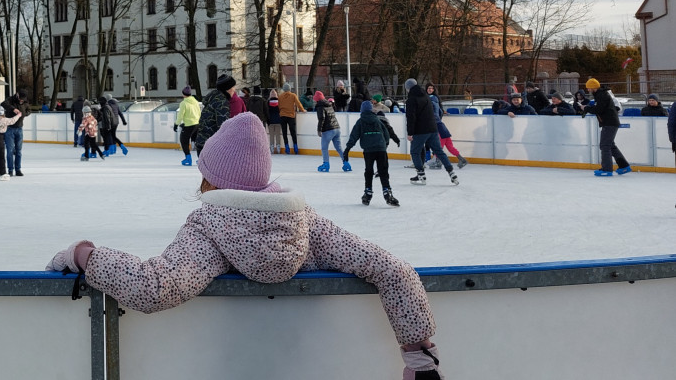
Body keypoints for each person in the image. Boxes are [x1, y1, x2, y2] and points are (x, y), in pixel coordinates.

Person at [46, 112, 445, 380]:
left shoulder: (210, 225)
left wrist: (82, 255)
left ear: (214, 178)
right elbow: (392, 269)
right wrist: (417, 355)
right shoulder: (304, 220)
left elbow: (155, 287)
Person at [343, 101, 402, 206]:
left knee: (369, 171)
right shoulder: (377, 120)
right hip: (381, 149)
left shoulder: (360, 121)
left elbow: (354, 136)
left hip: (369, 150)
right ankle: (387, 192)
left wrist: (348, 149)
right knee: (383, 171)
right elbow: (386, 134)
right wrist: (385, 144)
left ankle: (368, 192)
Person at [404, 79, 459, 186]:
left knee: (415, 152)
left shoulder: (411, 99)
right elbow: (437, 111)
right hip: (433, 128)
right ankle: (452, 173)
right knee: (439, 151)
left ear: (408, 88)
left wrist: (410, 133)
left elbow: (411, 117)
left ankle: (421, 174)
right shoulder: (426, 96)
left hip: (420, 130)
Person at [584, 78, 632, 177]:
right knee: (610, 145)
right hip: (610, 122)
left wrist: (586, 108)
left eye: (589, 88)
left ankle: (607, 169)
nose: (588, 90)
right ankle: (624, 166)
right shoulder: (600, 95)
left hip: (609, 123)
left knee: (604, 145)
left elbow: (599, 109)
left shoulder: (602, 95)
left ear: (593, 87)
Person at [194, 75, 235, 154]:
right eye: (233, 87)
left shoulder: (213, 99)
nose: (234, 89)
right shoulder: (221, 102)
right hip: (211, 146)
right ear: (227, 89)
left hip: (202, 143)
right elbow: (223, 127)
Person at [314, 91, 349, 172]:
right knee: (339, 148)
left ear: (317, 100)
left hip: (328, 130)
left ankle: (326, 164)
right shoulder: (329, 105)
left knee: (324, 148)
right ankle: (346, 162)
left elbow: (321, 118)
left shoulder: (320, 106)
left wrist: (319, 130)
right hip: (337, 128)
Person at [173, 86, 201, 166]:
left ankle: (188, 158)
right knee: (197, 142)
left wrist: (176, 124)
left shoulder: (183, 103)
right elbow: (199, 112)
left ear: (183, 94)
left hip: (189, 125)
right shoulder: (195, 101)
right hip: (197, 124)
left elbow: (180, 116)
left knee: (183, 141)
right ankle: (200, 159)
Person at [6, 92, 31, 174]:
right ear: (17, 95)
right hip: (9, 129)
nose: (21, 101)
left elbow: (29, 110)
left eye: (23, 100)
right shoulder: (11, 100)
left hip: (19, 129)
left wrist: (24, 114)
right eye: (20, 99)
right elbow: (3, 104)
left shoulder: (25, 102)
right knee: (9, 150)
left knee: (18, 151)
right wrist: (13, 109)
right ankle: (10, 170)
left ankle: (18, 169)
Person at [277, 83, 303, 155]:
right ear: (290, 89)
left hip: (282, 116)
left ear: (283, 89)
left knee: (284, 133)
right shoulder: (293, 95)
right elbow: (298, 104)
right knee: (293, 132)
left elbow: (278, 106)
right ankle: (295, 147)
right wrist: (303, 110)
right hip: (291, 116)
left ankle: (287, 147)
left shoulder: (280, 96)